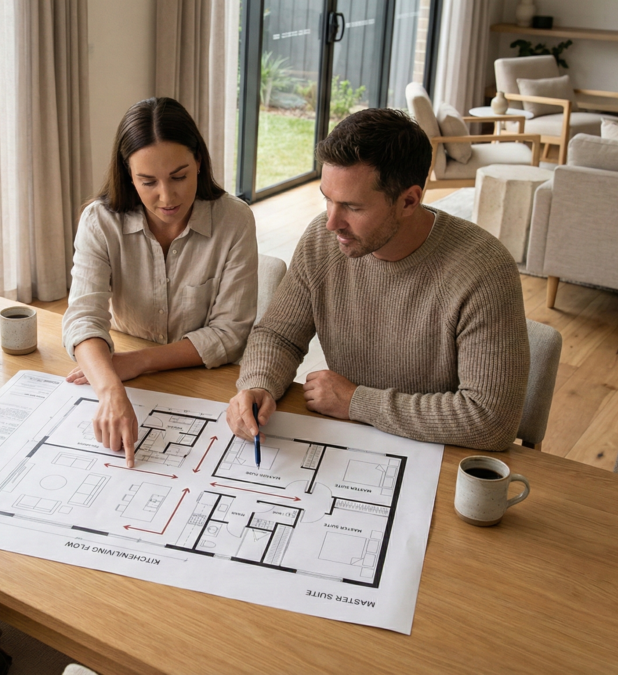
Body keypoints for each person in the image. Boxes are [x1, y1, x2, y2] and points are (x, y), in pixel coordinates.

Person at [227, 107, 528, 451]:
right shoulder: (321, 241)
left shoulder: (485, 271)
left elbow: (491, 419)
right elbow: (280, 335)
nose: (331, 223)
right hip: (350, 442)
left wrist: (358, 402)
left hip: (438, 456)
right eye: (328, 199)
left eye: (353, 208)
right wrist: (259, 383)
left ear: (408, 201)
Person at [64, 97, 258, 467]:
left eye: (179, 176)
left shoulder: (234, 219)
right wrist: (109, 389)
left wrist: (136, 363)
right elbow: (82, 318)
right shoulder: (100, 221)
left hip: (202, 378)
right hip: (118, 365)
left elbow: (230, 334)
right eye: (148, 181)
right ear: (128, 174)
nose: (167, 197)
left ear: (199, 161)